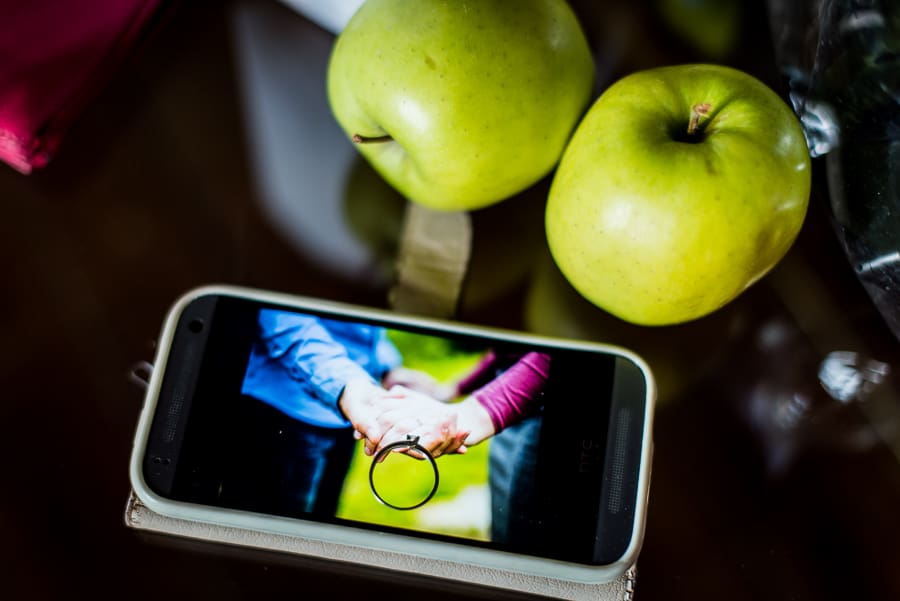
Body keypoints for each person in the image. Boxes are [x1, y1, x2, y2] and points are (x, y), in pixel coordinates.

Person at [225, 308, 463, 518]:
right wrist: (347, 384)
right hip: (284, 411)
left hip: (350, 413)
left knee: (318, 536)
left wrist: (387, 367)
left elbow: (362, 327)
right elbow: (284, 323)